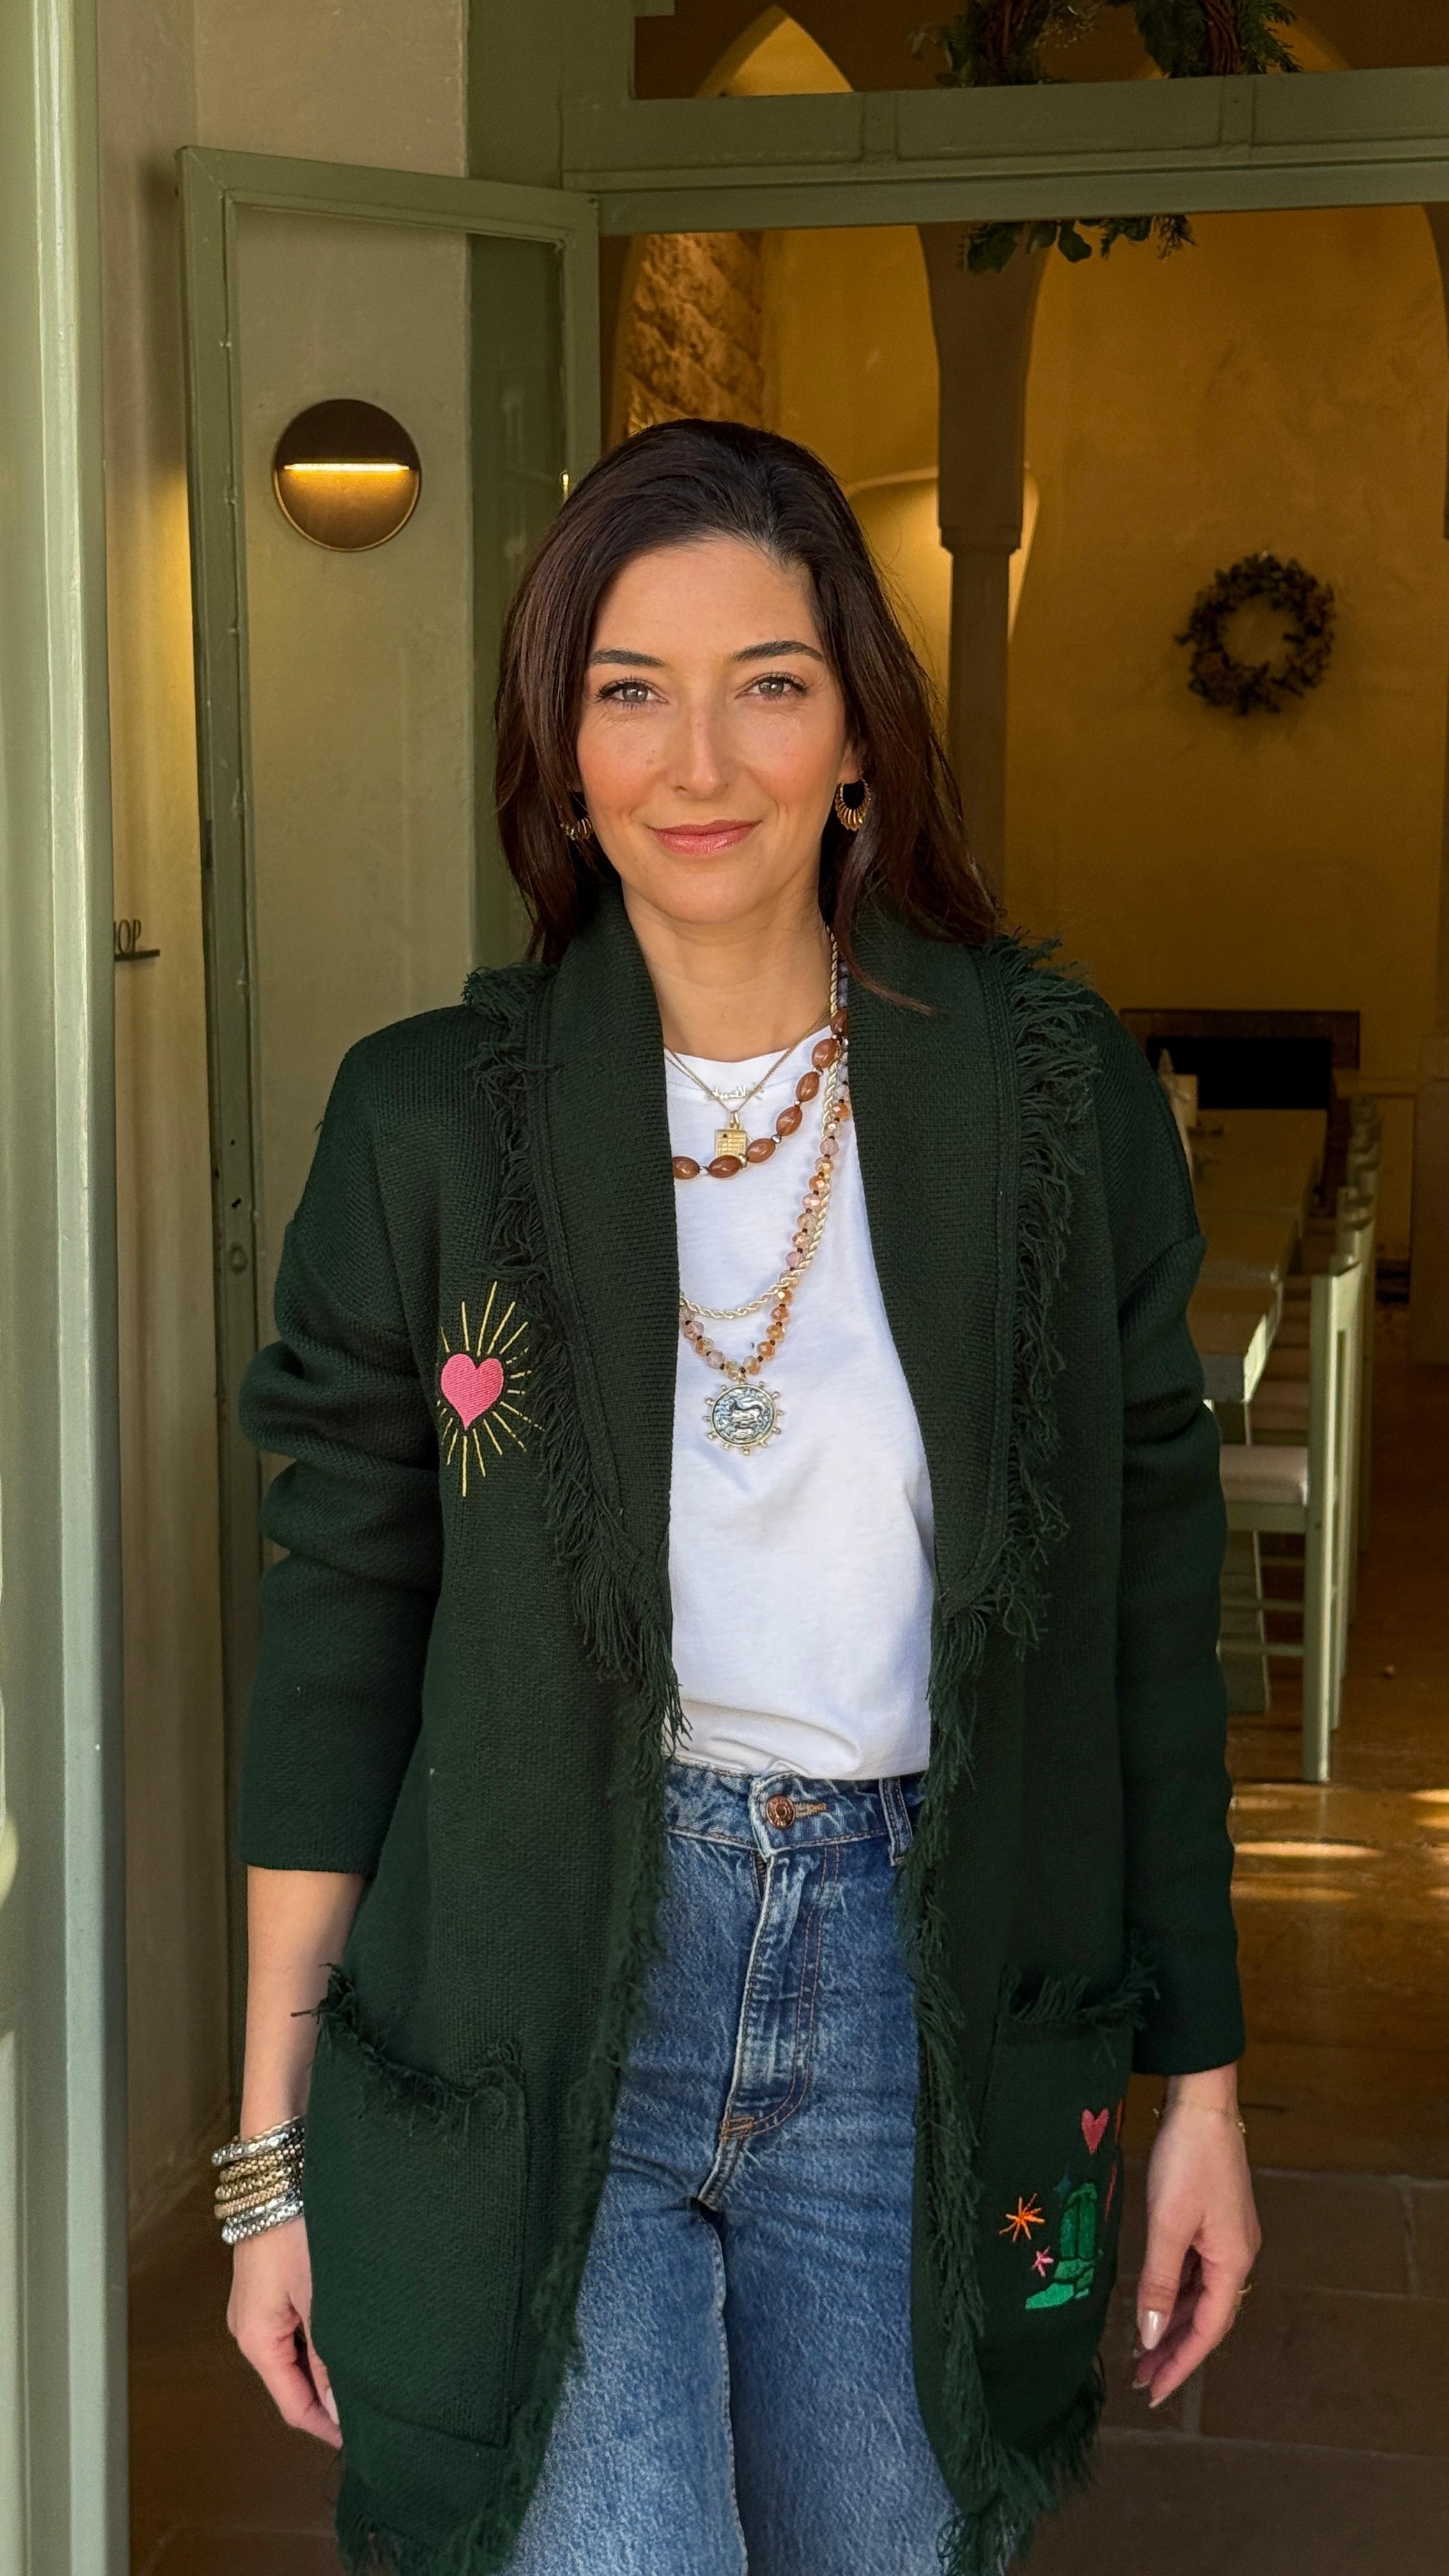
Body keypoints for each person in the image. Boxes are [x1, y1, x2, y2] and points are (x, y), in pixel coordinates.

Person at [222, 418, 1259, 2576]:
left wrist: (1202, 2089)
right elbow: (337, 1632)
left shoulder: (1047, 1100)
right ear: (559, 749)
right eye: (631, 690)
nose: (698, 762)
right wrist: (268, 2151)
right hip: (532, 2008)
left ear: (859, 739)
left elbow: (1144, 1627)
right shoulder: (431, 1122)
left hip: (924, 2004)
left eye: (767, 684)